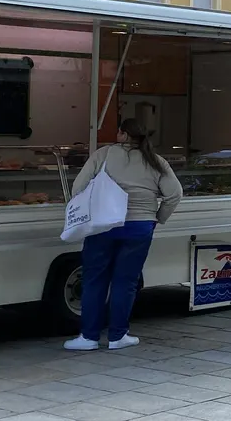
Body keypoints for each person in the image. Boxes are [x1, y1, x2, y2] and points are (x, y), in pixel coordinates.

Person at [65, 111, 183, 351]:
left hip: (103, 225)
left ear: (123, 134)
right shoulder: (156, 161)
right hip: (139, 227)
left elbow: (78, 187)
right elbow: (175, 194)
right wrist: (158, 218)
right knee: (125, 282)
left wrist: (88, 208)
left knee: (95, 280)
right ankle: (118, 336)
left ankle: (88, 337)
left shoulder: (104, 154)